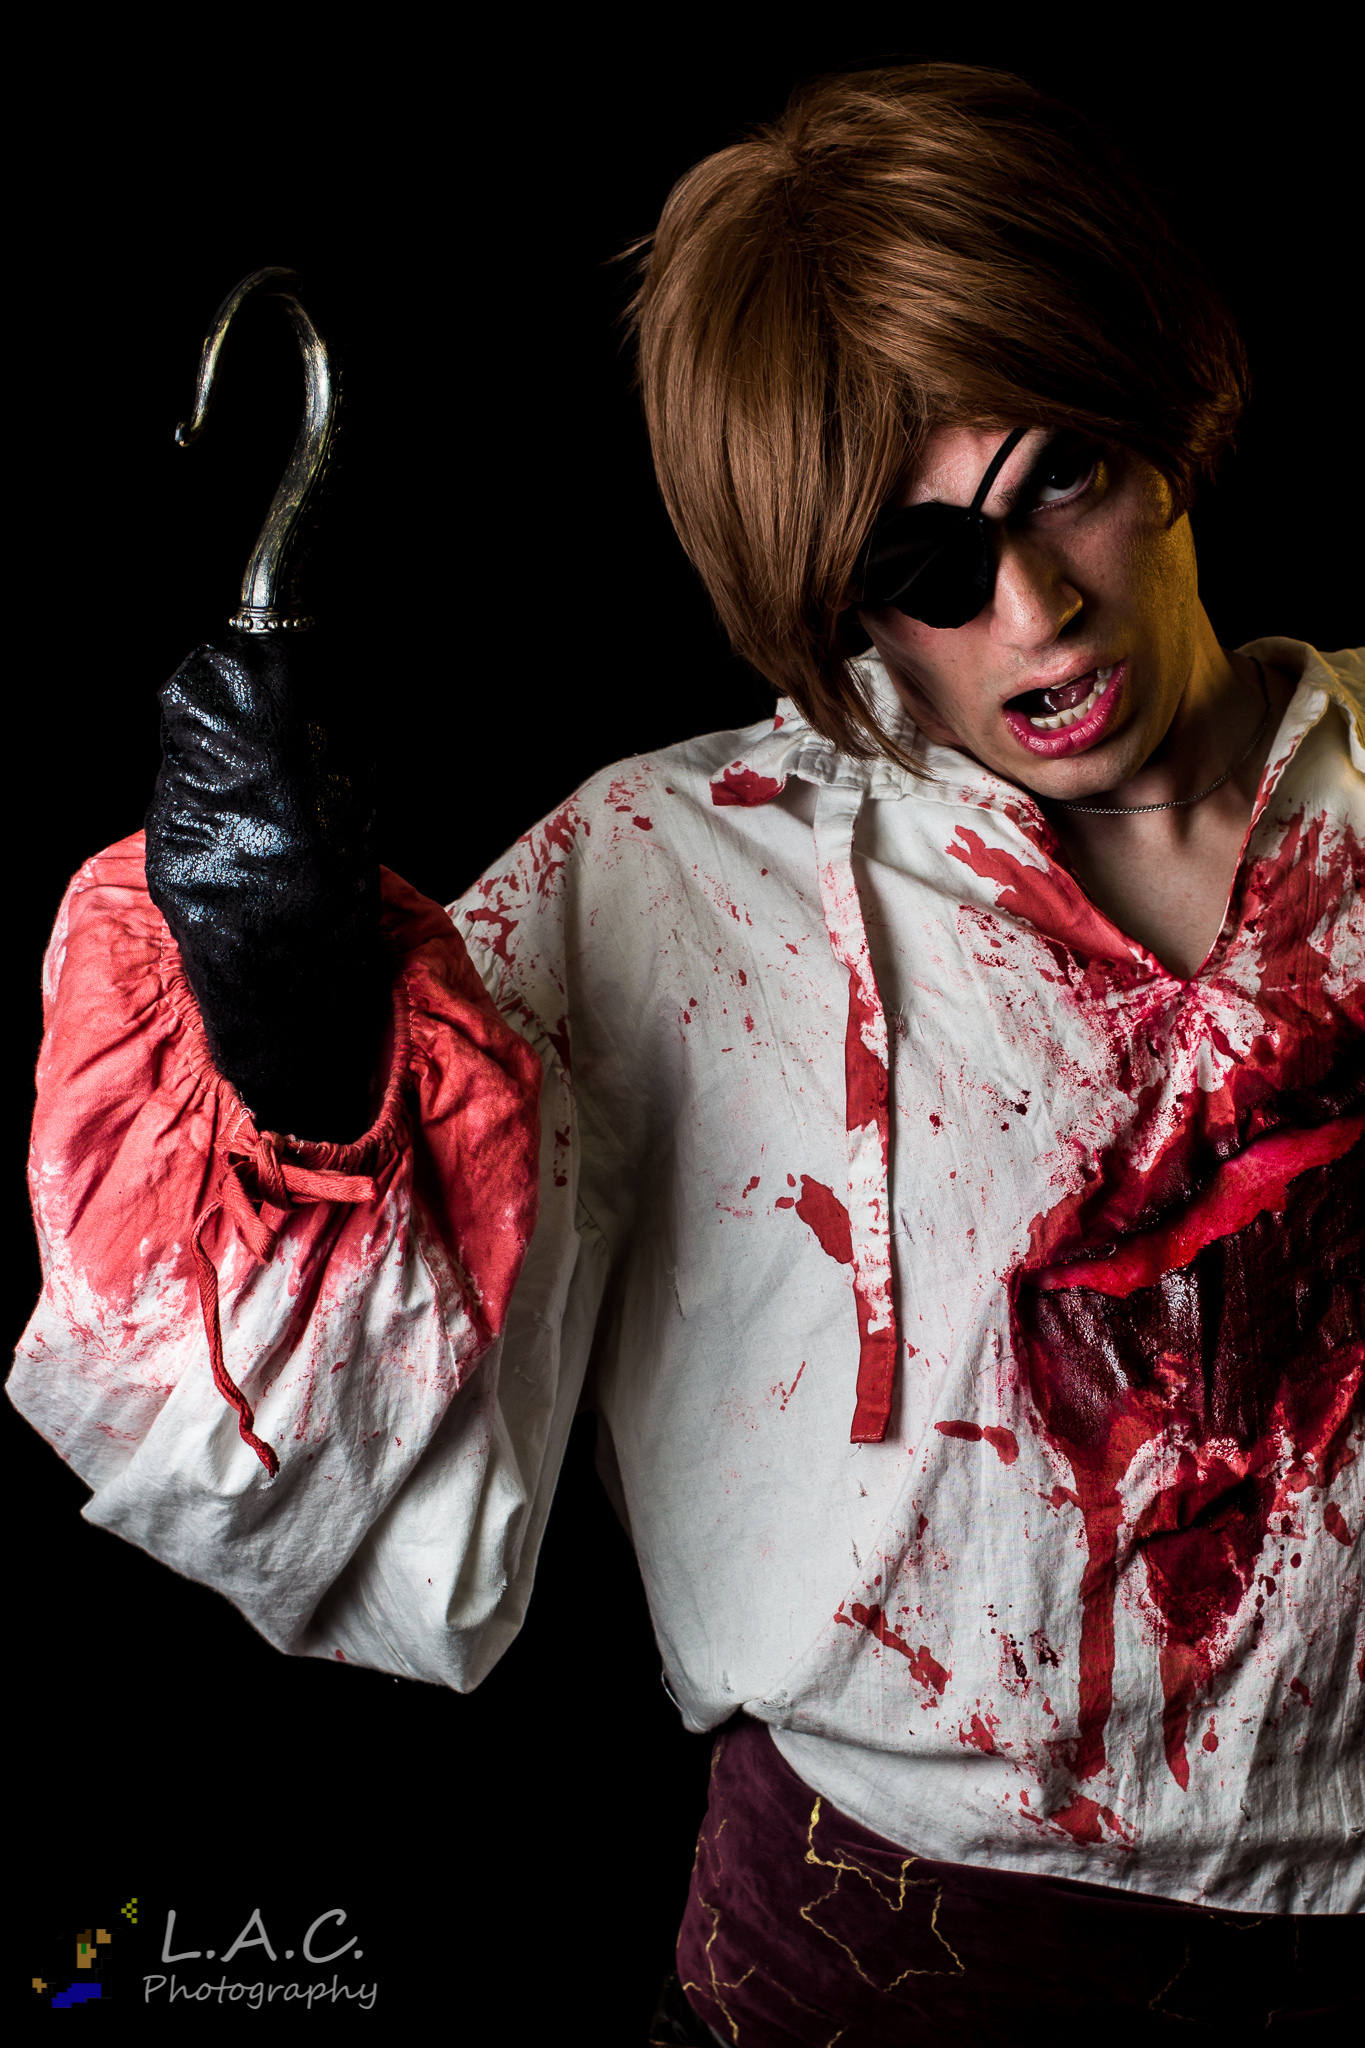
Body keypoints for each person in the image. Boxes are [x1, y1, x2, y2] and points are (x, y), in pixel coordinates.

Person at [9, 62, 1361, 2043]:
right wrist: (298, 1062)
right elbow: (298, 1462)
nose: (1033, 609)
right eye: (919, 567)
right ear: (832, 595)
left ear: (1162, 417)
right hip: (880, 1955)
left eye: (1063, 473)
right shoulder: (670, 880)